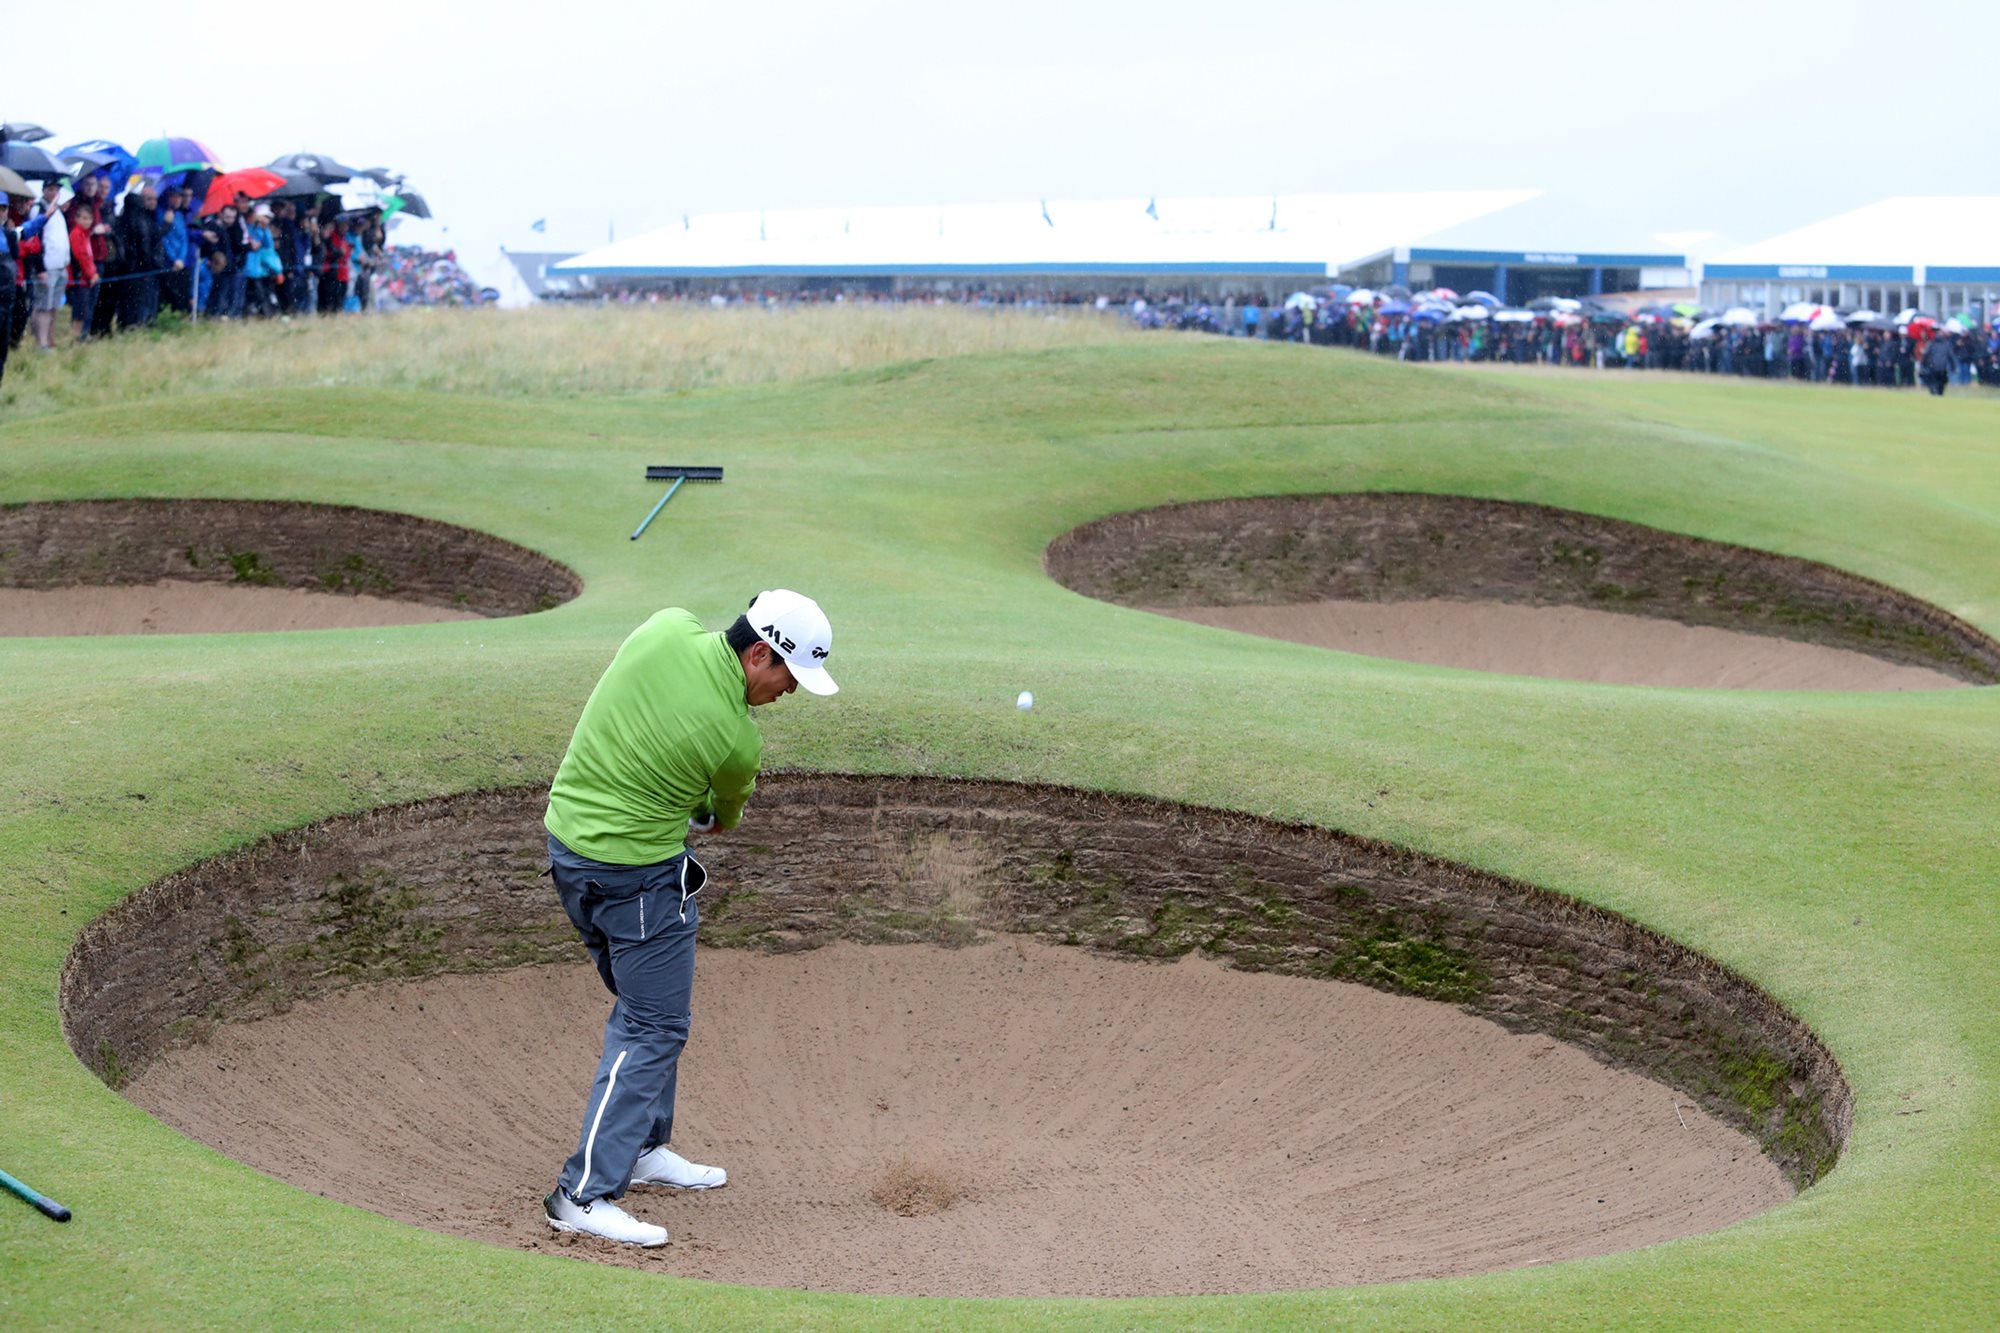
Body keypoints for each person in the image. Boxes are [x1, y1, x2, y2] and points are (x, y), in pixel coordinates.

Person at [540, 589, 839, 1247]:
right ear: (759, 653)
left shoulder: (663, 625)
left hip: (567, 851)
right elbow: (720, 817)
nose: (789, 691)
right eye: (788, 675)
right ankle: (584, 1193)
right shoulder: (737, 741)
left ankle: (642, 1148)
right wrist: (700, 806)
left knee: (651, 1006)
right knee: (653, 1023)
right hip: (636, 881)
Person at [66, 201, 99, 340]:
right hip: (80, 278)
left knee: (85, 309)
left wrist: (93, 272)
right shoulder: (76, 234)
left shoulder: (86, 235)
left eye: (89, 219)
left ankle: (82, 335)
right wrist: (91, 274)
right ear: (77, 218)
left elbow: (89, 257)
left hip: (86, 279)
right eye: (83, 218)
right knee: (79, 311)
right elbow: (81, 256)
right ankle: (76, 337)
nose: (86, 221)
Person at [1920, 330, 1957, 396]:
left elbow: (1926, 355)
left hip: (1933, 367)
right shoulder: (1946, 344)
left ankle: (1934, 392)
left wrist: (1923, 365)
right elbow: (1951, 356)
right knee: (1942, 383)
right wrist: (1953, 367)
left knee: (1933, 381)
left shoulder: (1931, 344)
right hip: (1943, 368)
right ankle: (1939, 393)